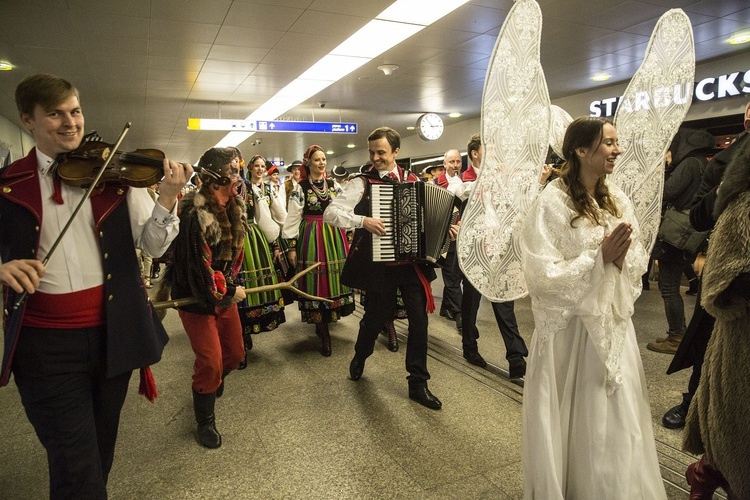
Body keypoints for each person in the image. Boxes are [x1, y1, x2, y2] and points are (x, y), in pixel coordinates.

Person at [0, 73, 191, 498]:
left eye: (75, 111)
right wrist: (3, 268)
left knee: (98, 454)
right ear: (27, 120)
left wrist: (167, 198)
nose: (70, 123)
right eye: (55, 114)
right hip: (45, 347)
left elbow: (154, 245)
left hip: (113, 335)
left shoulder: (116, 176)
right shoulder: (9, 183)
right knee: (76, 463)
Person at [519, 117, 665, 498]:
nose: (617, 150)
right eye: (609, 143)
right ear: (581, 151)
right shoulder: (550, 202)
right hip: (571, 332)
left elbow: (636, 260)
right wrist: (597, 259)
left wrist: (618, 260)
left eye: (617, 142)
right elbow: (540, 274)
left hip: (611, 324)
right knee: (577, 415)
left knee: (613, 416)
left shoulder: (616, 196)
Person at [324, 127, 443, 410]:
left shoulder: (415, 181)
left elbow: (428, 219)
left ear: (396, 153)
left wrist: (445, 229)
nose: (376, 157)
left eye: (381, 152)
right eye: (372, 152)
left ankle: (418, 383)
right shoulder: (362, 183)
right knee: (375, 318)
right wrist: (363, 221)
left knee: (419, 321)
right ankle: (361, 354)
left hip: (411, 264)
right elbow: (330, 213)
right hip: (380, 265)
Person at [661, 103, 750, 429]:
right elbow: (699, 214)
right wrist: (727, 189)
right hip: (725, 270)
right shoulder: (725, 161)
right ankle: (692, 404)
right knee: (708, 345)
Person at [158, 147, 247, 449]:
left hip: (222, 292)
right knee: (210, 362)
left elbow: (236, 255)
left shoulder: (236, 207)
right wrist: (230, 291)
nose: (238, 176)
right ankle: (204, 421)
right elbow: (199, 272)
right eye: (232, 171)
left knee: (234, 355)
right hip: (196, 296)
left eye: (238, 170)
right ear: (214, 179)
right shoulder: (194, 216)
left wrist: (231, 282)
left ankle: (214, 381)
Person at [682, 135, 750, 500]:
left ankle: (707, 471)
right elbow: (725, 279)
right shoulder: (740, 197)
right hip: (741, 336)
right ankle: (708, 470)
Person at [447, 134, 530, 378]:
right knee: (471, 302)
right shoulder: (462, 181)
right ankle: (469, 347)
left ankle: (516, 357)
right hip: (474, 251)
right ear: (475, 153)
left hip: (500, 249)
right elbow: (458, 193)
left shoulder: (504, 179)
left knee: (504, 301)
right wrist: (488, 180)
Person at [281, 145, 355, 356]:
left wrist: (349, 232)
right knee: (315, 280)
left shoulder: (334, 186)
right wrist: (292, 247)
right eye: (316, 160)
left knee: (332, 280)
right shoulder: (300, 188)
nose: (321, 163)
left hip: (334, 236)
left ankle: (327, 318)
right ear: (308, 163)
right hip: (312, 235)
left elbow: (345, 209)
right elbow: (293, 217)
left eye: (323, 159)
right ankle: (322, 328)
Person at [647, 128, 714, 354]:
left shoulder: (689, 165)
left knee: (669, 288)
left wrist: (661, 174)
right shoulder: (703, 164)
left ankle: (676, 336)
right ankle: (678, 333)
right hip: (689, 235)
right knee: (672, 286)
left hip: (675, 235)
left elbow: (667, 193)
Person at [236, 154, 287, 368]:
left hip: (252, 237)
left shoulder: (258, 189)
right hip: (234, 237)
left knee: (254, 286)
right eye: (255, 166)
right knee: (237, 286)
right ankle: (239, 337)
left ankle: (245, 332)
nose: (259, 169)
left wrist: (278, 243)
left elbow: (269, 217)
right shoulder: (230, 186)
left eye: (262, 166)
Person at [433, 149, 464, 331]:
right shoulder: (437, 184)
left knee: (457, 276)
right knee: (452, 277)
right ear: (444, 164)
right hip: (447, 238)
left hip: (464, 237)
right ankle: (460, 315)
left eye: (458, 161)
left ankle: (446, 307)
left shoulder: (467, 182)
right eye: (451, 162)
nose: (455, 165)